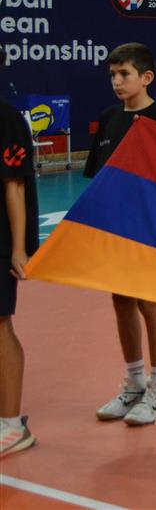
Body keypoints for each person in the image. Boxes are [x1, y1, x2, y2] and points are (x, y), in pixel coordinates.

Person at [84, 43, 156, 426]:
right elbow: (97, 179)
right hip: (115, 230)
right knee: (121, 300)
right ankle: (135, 383)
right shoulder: (109, 119)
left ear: (146, 77)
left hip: (150, 230)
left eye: (124, 74)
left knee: (149, 301)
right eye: (113, 75)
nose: (117, 81)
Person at [0, 94, 39, 457]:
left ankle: (12, 426)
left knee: (0, 326)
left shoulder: (8, 119)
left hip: (0, 241)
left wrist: (18, 248)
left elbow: (15, 186)